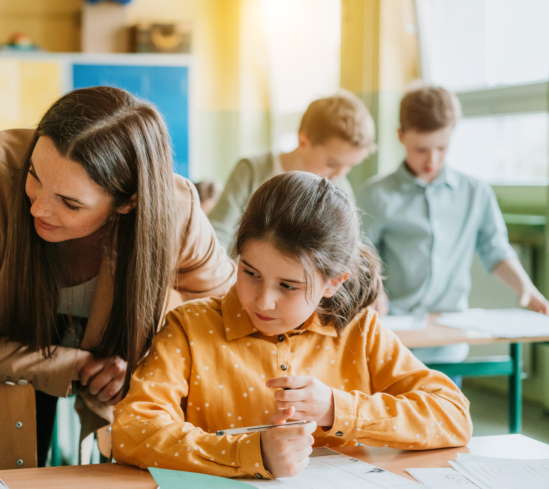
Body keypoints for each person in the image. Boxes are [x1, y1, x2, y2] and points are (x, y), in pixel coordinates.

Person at [0, 86, 235, 464]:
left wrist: (146, 361)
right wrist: (73, 365)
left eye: (71, 203)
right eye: (34, 176)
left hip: (114, 386)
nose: (38, 208)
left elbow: (223, 325)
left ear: (129, 202)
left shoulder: (177, 212)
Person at [112, 172, 472, 480]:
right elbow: (131, 431)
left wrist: (336, 408)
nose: (263, 301)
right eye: (250, 272)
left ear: (334, 282)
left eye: (288, 286)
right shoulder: (190, 328)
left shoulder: (359, 331)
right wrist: (251, 453)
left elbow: (453, 416)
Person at [359, 86, 549, 369]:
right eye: (421, 149)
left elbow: (495, 249)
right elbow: (357, 254)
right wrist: (374, 290)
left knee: (446, 409)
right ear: (401, 136)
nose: (432, 160)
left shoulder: (476, 192)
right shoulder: (375, 194)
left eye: (441, 148)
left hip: (449, 336)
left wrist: (527, 289)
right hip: (392, 335)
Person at [208, 90, 375, 252]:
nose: (340, 174)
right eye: (332, 163)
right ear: (303, 142)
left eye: (349, 166)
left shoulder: (339, 188)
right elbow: (217, 233)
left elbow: (349, 249)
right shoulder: (252, 171)